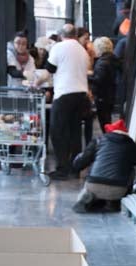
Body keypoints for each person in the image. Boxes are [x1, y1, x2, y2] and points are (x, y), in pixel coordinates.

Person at [70, 119, 136, 213]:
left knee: (96, 164)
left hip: (93, 186)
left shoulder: (98, 141)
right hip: (118, 190)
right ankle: (114, 202)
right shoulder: (132, 147)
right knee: (131, 170)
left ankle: (90, 197)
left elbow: (79, 164)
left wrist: (77, 161)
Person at [44, 24, 91, 180]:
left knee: (57, 132)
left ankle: (62, 169)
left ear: (60, 35)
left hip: (65, 94)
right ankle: (75, 169)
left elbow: (49, 69)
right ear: (76, 35)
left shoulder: (59, 47)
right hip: (81, 95)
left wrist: (36, 83)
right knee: (75, 133)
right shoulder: (83, 50)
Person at [89, 37, 120, 131]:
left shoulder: (102, 62)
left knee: (104, 121)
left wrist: (86, 77)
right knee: (107, 119)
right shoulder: (112, 59)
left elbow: (99, 80)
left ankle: (107, 139)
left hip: (102, 95)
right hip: (110, 94)